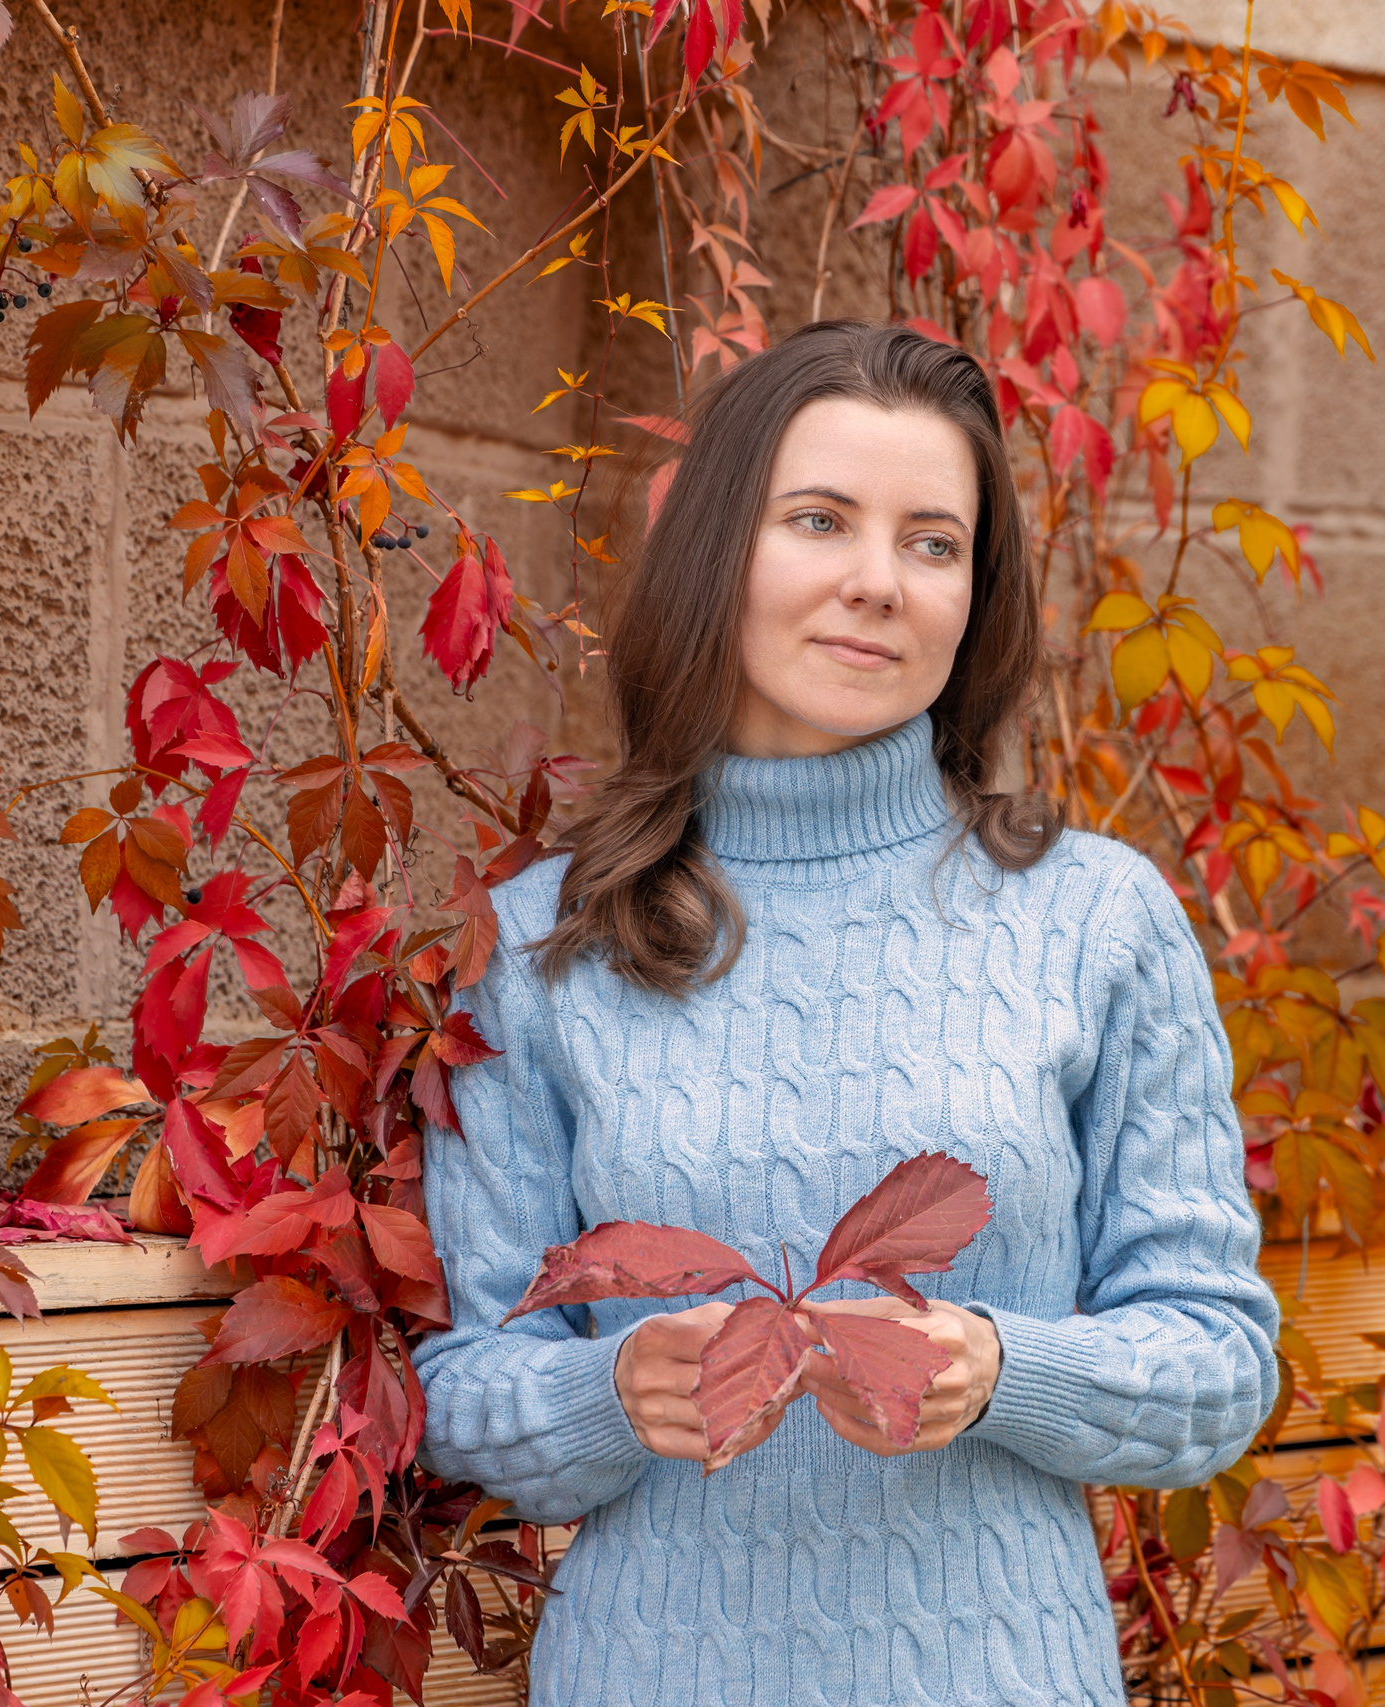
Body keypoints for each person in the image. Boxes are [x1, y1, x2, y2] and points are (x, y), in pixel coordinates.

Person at [413, 320, 1279, 1706]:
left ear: (972, 598)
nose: (879, 583)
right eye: (820, 521)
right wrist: (612, 1396)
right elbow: (460, 1392)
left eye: (934, 543)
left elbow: (1220, 1367)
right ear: (719, 555)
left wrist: (1006, 1370)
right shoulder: (541, 944)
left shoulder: (1096, 919)